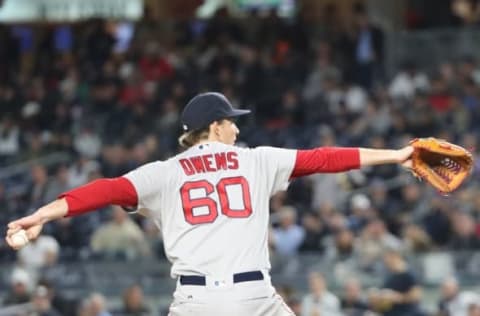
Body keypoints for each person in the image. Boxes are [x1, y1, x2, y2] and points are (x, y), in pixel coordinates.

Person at [5, 92, 414, 316]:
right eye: (231, 120)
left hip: (196, 302)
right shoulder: (257, 160)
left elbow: (104, 190)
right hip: (254, 298)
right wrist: (394, 155)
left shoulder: (162, 173)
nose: (237, 127)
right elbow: (325, 158)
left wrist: (44, 213)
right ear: (214, 127)